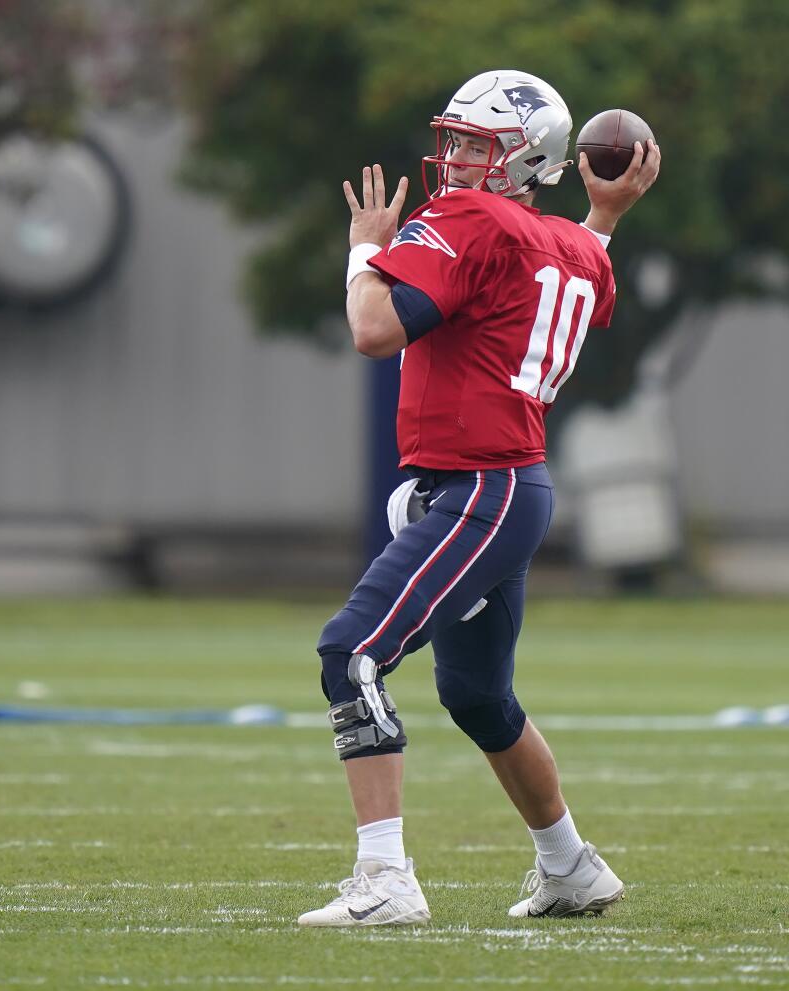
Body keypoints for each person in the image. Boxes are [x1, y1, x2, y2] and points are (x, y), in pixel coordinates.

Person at [296, 69, 661, 928]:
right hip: (511, 488)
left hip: (479, 488)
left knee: (350, 653)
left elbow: (372, 329)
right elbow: (581, 260)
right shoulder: (572, 248)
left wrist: (363, 249)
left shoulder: (466, 217)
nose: (454, 158)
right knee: (479, 697)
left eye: (475, 145)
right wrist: (605, 212)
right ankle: (570, 865)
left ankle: (385, 878)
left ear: (522, 159)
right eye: (454, 139)